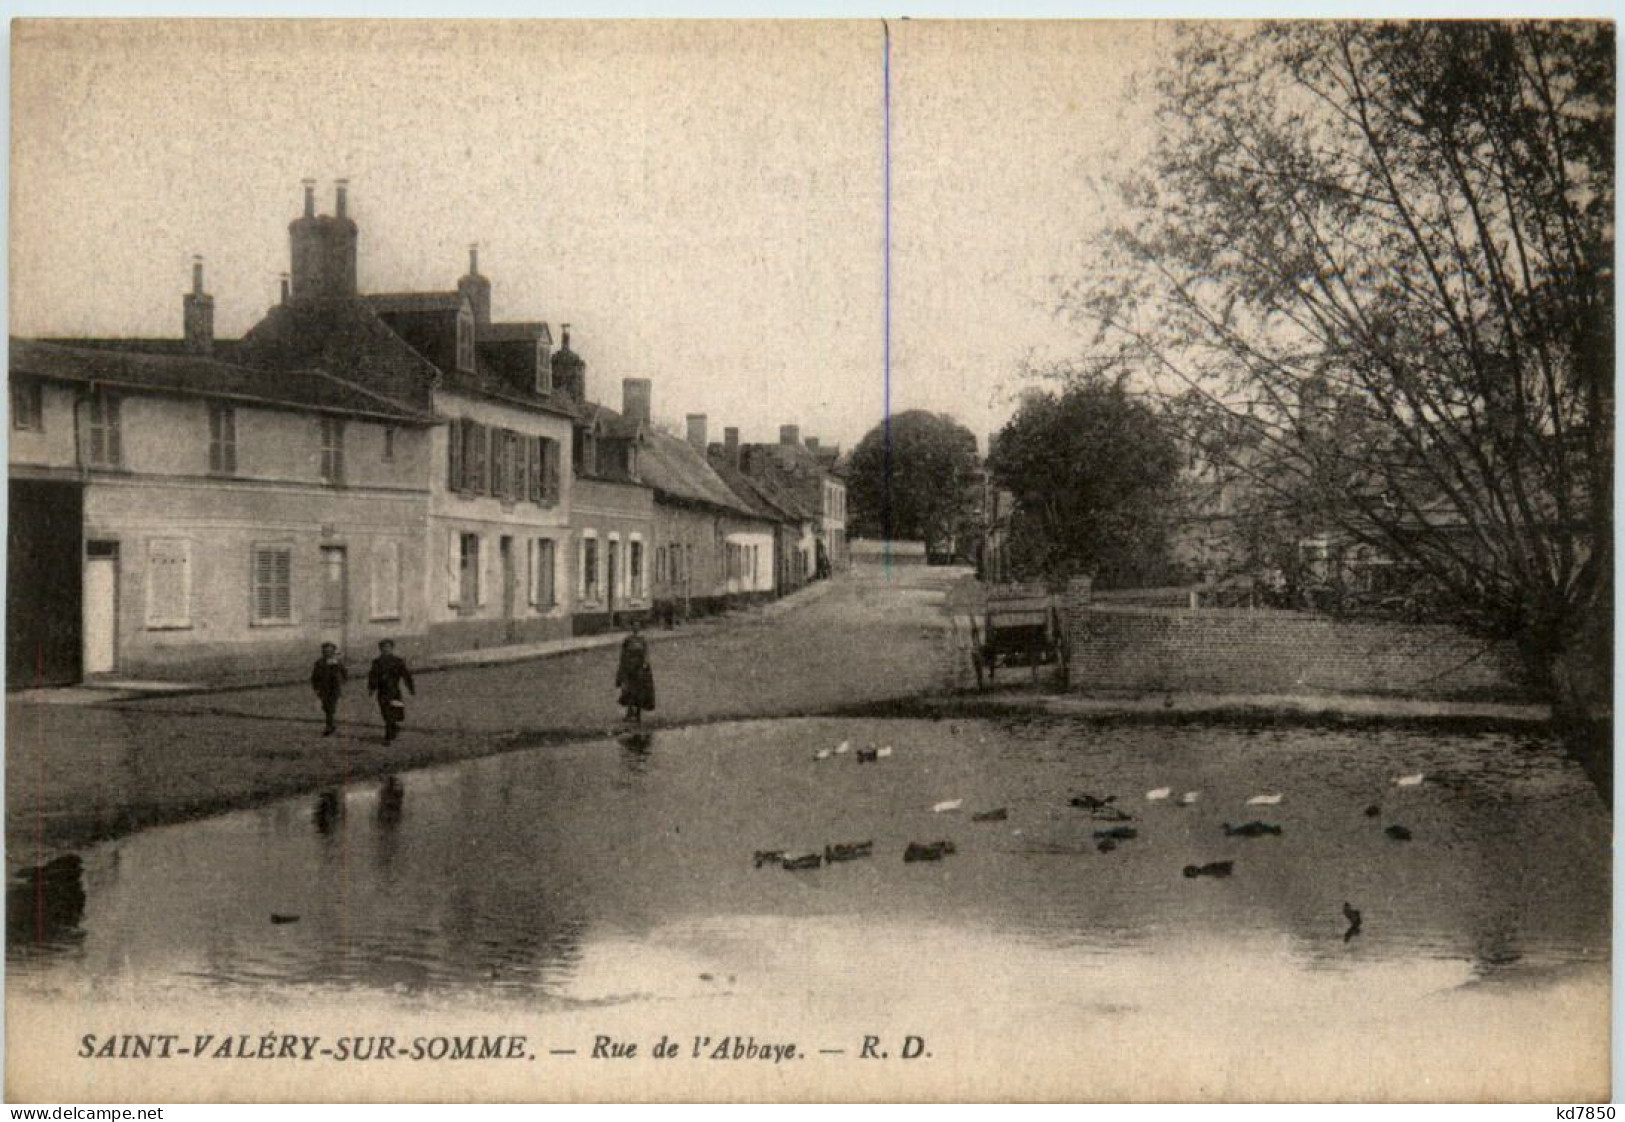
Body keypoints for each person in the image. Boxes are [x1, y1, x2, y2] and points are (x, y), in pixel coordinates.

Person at [367, 639, 416, 743]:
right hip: (382, 692)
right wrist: (371, 688)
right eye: (383, 647)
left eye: (388, 647)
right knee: (385, 713)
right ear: (380, 649)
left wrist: (410, 688)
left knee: (395, 712)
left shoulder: (398, 661)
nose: (386, 649)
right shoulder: (377, 662)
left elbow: (406, 675)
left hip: (395, 692)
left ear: (392, 648)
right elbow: (373, 676)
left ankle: (389, 735)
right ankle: (392, 730)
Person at [615, 618, 656, 725]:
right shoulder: (628, 639)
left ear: (640, 628)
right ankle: (629, 713)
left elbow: (646, 653)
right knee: (628, 690)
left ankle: (638, 714)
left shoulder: (642, 640)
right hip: (629, 668)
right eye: (634, 626)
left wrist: (646, 664)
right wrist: (622, 667)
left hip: (640, 669)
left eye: (638, 626)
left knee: (640, 691)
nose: (636, 628)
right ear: (631, 627)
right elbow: (623, 654)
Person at [310, 641, 348, 736]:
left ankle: (329, 726)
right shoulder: (319, 662)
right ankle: (330, 724)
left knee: (330, 707)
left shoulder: (337, 662)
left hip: (334, 688)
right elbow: (315, 676)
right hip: (323, 689)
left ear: (333, 652)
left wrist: (342, 682)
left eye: (330, 651)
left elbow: (344, 673)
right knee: (326, 707)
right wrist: (316, 687)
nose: (327, 653)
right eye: (325, 651)